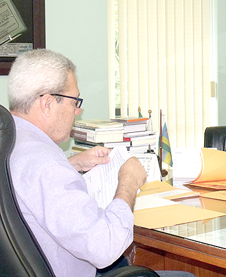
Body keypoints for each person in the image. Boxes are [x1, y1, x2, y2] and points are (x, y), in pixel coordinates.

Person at [8, 49, 194, 277]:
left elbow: (28, 184)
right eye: (75, 101)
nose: (77, 111)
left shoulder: (12, 143)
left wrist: (72, 164)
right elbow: (105, 247)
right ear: (47, 104)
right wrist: (128, 182)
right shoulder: (46, 165)